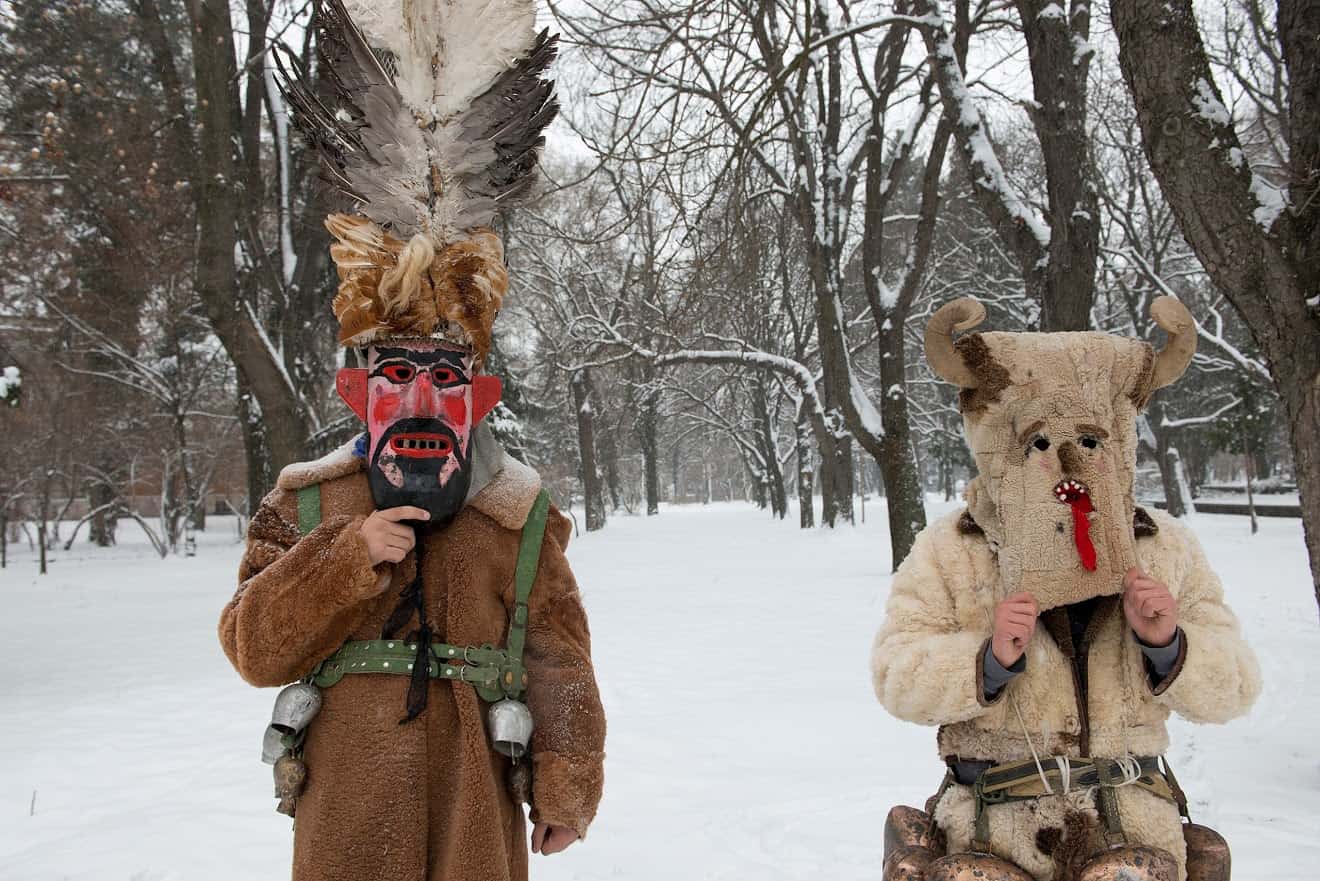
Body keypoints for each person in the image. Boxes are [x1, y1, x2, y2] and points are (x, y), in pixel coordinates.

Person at [219, 2, 604, 879]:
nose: (420, 397)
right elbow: (251, 645)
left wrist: (568, 782)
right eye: (394, 377)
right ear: (357, 390)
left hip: (475, 806)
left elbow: (559, 658)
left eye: (444, 378)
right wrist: (342, 554)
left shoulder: (518, 516)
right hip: (345, 816)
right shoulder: (305, 501)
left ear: (480, 397)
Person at [873, 297, 1259, 881]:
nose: (1066, 463)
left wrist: (1170, 645)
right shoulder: (953, 548)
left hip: (1132, 829)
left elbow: (1237, 686)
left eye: (1088, 437)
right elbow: (895, 675)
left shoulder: (1163, 546)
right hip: (989, 827)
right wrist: (988, 661)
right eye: (1038, 441)